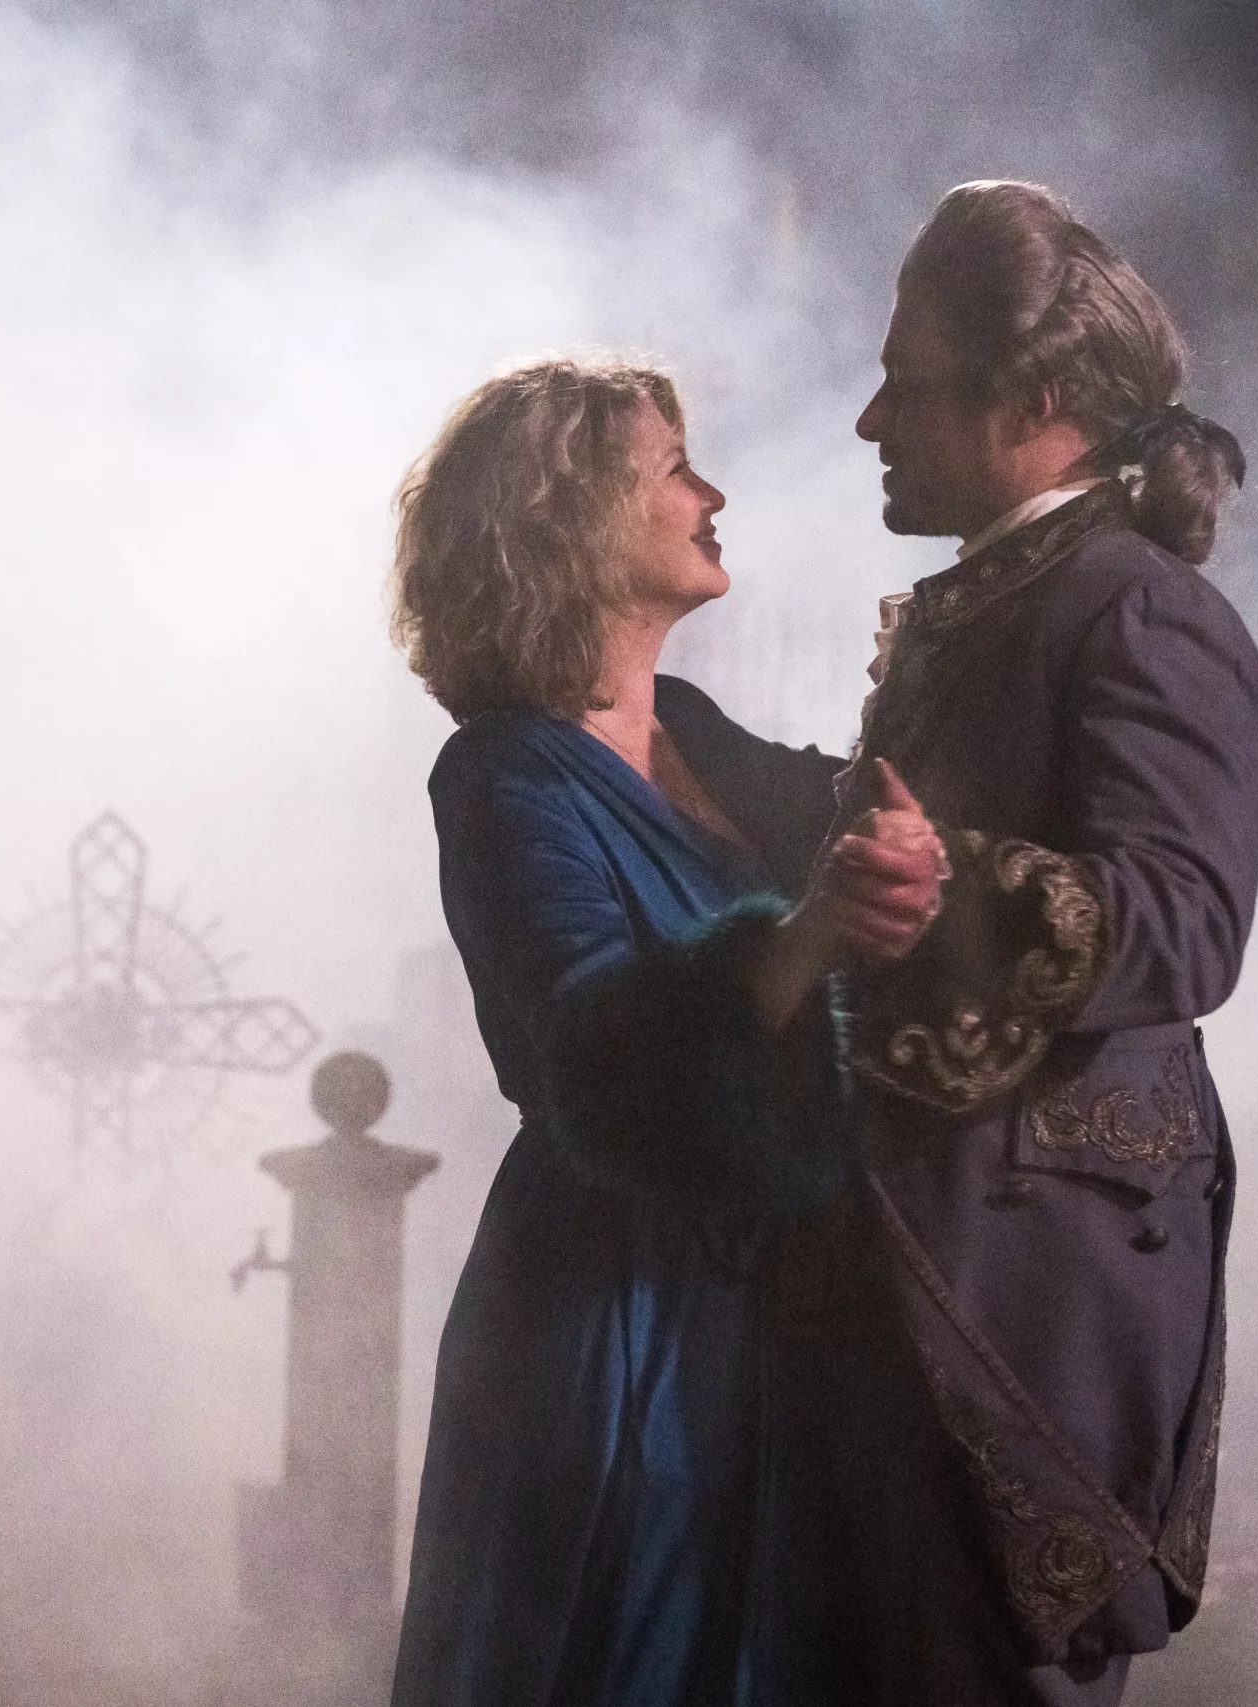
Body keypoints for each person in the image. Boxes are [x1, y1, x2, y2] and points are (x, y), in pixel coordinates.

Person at [776, 180, 1258, 1706]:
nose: (870, 419)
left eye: (907, 381)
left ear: (1039, 400)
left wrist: (952, 880)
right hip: (924, 1255)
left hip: (1023, 1297)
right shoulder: (1014, 597)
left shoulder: (1140, 610)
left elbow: (1190, 920)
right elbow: (880, 827)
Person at [383, 357, 943, 1707]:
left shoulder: (687, 731)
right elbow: (590, 1055)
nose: (714, 496)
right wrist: (806, 933)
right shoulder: (502, 772)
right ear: (571, 516)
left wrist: (925, 725)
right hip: (613, 1314)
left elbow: (859, 830)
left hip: (762, 1306)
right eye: (676, 469)